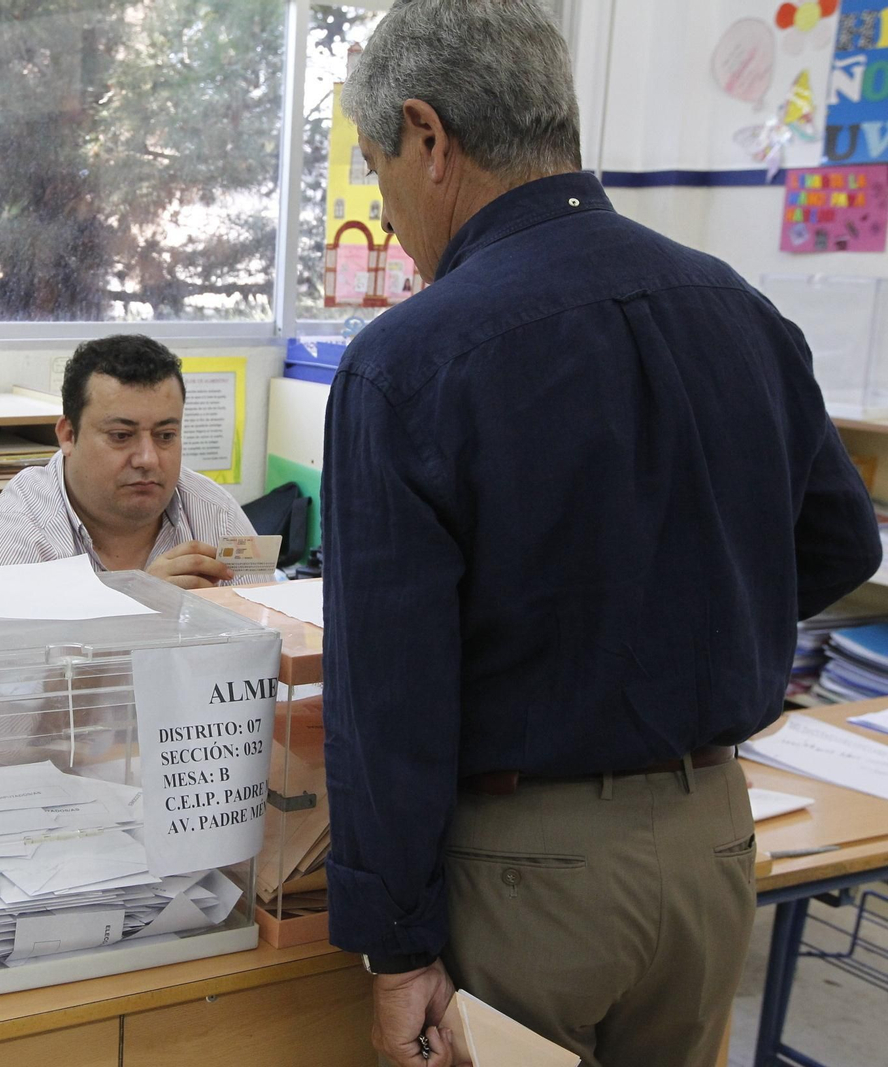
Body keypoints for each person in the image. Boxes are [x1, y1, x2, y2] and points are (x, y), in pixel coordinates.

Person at [318, 4, 882, 1066]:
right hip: (714, 837)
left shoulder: (408, 362)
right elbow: (839, 546)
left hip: (531, 869)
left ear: (428, 137)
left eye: (375, 162)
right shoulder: (740, 308)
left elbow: (384, 700)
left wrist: (393, 952)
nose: (386, 211)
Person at [0, 333, 255, 589]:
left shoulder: (219, 516)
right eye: (120, 436)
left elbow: (273, 633)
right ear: (68, 436)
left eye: (165, 436)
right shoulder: (13, 534)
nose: (148, 459)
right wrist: (142, 602)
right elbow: (3, 650)